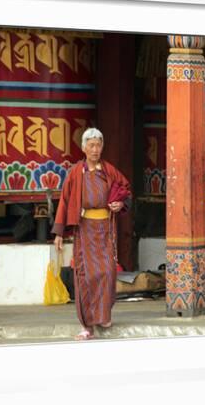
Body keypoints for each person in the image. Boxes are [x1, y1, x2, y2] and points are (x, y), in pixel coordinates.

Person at [52, 128, 132, 340]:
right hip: (85, 229)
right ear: (84, 147)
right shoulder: (76, 172)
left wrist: (119, 203)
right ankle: (87, 325)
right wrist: (59, 233)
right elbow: (64, 201)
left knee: (107, 272)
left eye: (99, 145)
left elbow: (125, 189)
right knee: (86, 276)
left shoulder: (108, 170)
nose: (95, 149)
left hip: (105, 228)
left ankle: (103, 315)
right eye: (92, 145)